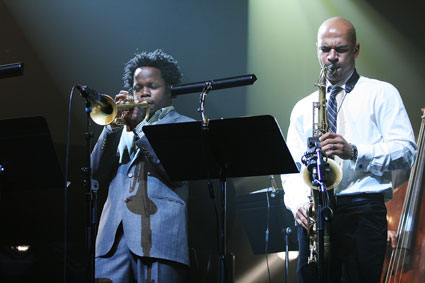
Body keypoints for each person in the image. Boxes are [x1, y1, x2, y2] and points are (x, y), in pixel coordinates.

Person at [281, 17, 417, 283]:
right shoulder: (302, 107)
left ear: (355, 50)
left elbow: (407, 150)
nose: (332, 57)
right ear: (317, 49)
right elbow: (291, 167)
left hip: (362, 210)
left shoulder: (381, 93)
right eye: (325, 49)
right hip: (316, 212)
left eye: (340, 50)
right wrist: (297, 202)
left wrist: (355, 151)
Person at [91, 49, 193, 282]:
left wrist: (139, 128)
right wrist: (112, 127)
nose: (144, 93)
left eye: (152, 86)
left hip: (160, 239)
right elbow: (95, 171)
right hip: (112, 242)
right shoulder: (121, 128)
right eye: (138, 88)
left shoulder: (184, 125)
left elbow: (177, 172)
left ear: (169, 89)